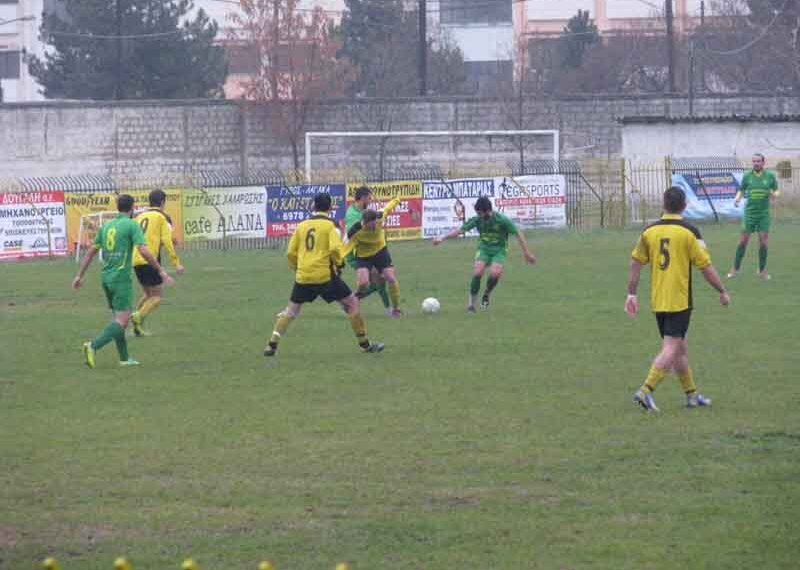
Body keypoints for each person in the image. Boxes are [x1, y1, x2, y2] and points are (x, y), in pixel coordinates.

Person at [626, 186, 730, 412]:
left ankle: (691, 395)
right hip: (679, 300)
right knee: (672, 348)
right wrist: (721, 290)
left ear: (663, 204)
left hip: (658, 300)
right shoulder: (690, 232)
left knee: (680, 348)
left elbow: (635, 261)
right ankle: (645, 391)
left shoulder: (649, 231)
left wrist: (631, 293)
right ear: (684, 205)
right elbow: (705, 266)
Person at [264, 193, 384, 357]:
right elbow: (335, 249)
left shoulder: (301, 226)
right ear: (330, 208)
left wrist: (297, 268)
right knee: (352, 303)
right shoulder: (330, 226)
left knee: (291, 311)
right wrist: (339, 264)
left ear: (314, 206)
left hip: (303, 276)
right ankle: (365, 345)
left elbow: (290, 253)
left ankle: (271, 344)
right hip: (325, 276)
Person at [72, 194, 174, 368]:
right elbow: (144, 250)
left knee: (119, 319)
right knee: (122, 320)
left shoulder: (106, 226)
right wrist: (160, 270)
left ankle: (125, 358)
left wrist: (79, 276)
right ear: (132, 207)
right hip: (121, 279)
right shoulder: (131, 225)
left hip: (106, 278)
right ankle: (93, 346)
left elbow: (90, 252)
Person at [432, 196, 536, 312]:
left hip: (499, 250)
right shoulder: (477, 219)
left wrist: (526, 252)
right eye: (477, 213)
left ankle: (487, 293)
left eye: (480, 213)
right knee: (478, 272)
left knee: (495, 273)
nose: (479, 215)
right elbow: (460, 230)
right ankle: (471, 305)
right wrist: (442, 238)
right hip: (484, 249)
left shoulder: (502, 220)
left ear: (488, 211)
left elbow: (518, 233)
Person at [130, 189, 185, 336]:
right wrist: (176, 263)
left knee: (148, 294)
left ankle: (137, 324)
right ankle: (138, 316)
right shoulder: (162, 217)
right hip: (149, 259)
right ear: (162, 202)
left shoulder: (140, 216)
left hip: (136, 259)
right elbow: (166, 241)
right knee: (157, 296)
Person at [342, 192, 403, 317]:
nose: (375, 225)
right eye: (372, 224)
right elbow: (344, 247)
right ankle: (355, 299)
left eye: (375, 222)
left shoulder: (379, 216)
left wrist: (397, 199)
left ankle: (396, 309)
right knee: (363, 283)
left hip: (380, 251)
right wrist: (337, 260)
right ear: (364, 223)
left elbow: (388, 207)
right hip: (364, 256)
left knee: (390, 277)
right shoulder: (355, 231)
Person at [728, 153, 779, 280]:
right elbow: (741, 190)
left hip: (763, 214)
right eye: (754, 161)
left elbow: (776, 190)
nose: (756, 163)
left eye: (758, 161)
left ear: (763, 162)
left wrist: (774, 195)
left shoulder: (770, 176)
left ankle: (762, 270)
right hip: (749, 214)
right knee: (743, 241)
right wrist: (737, 199)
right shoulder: (747, 176)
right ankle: (735, 268)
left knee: (763, 241)